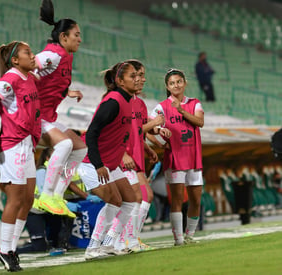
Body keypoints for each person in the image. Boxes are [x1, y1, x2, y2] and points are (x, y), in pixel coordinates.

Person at [0, 41, 41, 272]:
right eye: (28, 52)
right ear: (15, 60)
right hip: (11, 146)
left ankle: (10, 249)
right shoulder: (11, 78)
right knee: (15, 200)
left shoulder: (30, 78)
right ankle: (4, 250)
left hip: (26, 144)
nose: (32, 55)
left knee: (28, 200)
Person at [78, 61, 142, 259]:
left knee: (130, 201)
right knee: (115, 201)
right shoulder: (113, 101)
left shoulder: (128, 100)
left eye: (140, 75)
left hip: (111, 164)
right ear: (121, 81)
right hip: (92, 163)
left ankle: (108, 244)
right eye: (134, 76)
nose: (140, 79)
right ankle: (93, 248)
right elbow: (91, 134)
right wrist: (98, 164)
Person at [35, 0, 87, 218]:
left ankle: (57, 194)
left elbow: (49, 82)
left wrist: (67, 92)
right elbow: (28, 70)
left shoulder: (65, 56)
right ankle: (46, 195)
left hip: (49, 116)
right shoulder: (52, 55)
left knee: (80, 149)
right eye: (76, 34)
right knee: (65, 144)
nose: (80, 39)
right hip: (35, 116)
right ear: (63, 37)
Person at [114, 60, 168, 252]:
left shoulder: (140, 103)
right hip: (123, 157)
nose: (142, 79)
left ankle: (129, 239)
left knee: (139, 198)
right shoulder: (120, 101)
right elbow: (129, 130)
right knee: (142, 196)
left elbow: (140, 131)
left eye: (143, 75)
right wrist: (155, 122)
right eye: (138, 75)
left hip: (136, 156)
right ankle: (126, 239)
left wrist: (149, 146)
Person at [150, 68, 204, 246]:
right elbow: (149, 127)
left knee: (196, 200)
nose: (176, 85)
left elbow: (199, 122)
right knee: (177, 200)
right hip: (174, 158)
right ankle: (178, 239)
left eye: (179, 81)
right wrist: (158, 137)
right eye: (172, 83)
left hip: (193, 157)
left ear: (185, 83)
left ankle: (190, 235)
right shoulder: (161, 107)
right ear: (167, 86)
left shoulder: (194, 103)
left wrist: (181, 110)